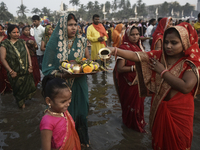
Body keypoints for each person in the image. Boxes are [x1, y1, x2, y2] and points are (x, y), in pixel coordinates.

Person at [108, 22, 199, 150]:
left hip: (180, 111)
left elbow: (186, 87)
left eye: (174, 43)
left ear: (185, 42)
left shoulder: (190, 62)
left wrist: (162, 72)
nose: (168, 46)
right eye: (166, 42)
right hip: (159, 107)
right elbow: (137, 56)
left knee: (179, 144)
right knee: (158, 141)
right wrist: (114, 50)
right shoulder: (159, 56)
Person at [42, 13, 90, 147]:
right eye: (70, 25)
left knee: (82, 112)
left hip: (80, 83)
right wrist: (63, 75)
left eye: (75, 24)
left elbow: (87, 60)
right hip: (60, 86)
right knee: (61, 114)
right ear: (63, 26)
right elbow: (46, 68)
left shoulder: (82, 41)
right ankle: (64, 143)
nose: (74, 28)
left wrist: (90, 67)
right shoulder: (54, 43)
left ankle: (81, 140)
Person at [113, 25, 146, 132]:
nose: (135, 37)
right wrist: (134, 68)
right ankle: (130, 126)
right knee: (130, 106)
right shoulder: (123, 49)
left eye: (137, 34)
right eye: (132, 35)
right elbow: (120, 68)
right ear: (127, 35)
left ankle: (138, 123)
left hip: (138, 83)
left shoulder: (139, 47)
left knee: (138, 105)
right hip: (129, 83)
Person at [40, 75, 81, 150]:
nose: (68, 103)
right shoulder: (47, 122)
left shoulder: (62, 111)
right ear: (49, 101)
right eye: (63, 101)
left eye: (69, 99)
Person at [0, 25, 36, 108]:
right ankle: (21, 107)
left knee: (28, 88)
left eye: (17, 32)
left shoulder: (22, 42)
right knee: (18, 91)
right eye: (14, 32)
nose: (16, 34)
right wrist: (11, 71)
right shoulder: (5, 44)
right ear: (9, 33)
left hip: (26, 70)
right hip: (14, 72)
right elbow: (3, 58)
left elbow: (28, 54)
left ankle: (24, 107)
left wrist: (30, 66)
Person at [0, 24, 12, 94]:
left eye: (1, 29)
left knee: (7, 72)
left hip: (6, 58)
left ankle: (9, 87)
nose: (0, 31)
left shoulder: (6, 38)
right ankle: (2, 89)